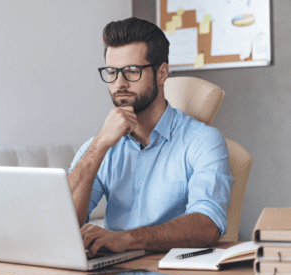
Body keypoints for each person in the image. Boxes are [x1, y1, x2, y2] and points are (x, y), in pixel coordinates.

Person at [68, 17, 234, 257]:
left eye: (132, 71)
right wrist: (100, 145)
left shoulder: (203, 141)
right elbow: (65, 223)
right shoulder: (99, 145)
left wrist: (125, 239)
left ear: (162, 73)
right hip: (113, 274)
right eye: (112, 72)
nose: (119, 84)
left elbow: (208, 223)